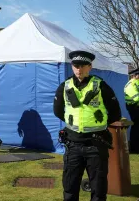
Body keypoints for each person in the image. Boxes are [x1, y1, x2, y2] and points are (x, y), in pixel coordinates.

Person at [53, 50, 122, 201]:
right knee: (70, 188)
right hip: (73, 145)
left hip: (96, 144)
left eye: (83, 65)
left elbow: (115, 113)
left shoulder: (101, 86)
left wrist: (98, 123)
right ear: (72, 66)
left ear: (90, 67)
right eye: (76, 65)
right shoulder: (65, 86)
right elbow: (58, 111)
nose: (79, 69)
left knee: (98, 190)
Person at [124, 67, 139, 153]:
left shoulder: (137, 83)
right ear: (136, 75)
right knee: (136, 128)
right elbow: (136, 98)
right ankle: (135, 148)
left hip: (136, 107)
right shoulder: (131, 85)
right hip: (134, 108)